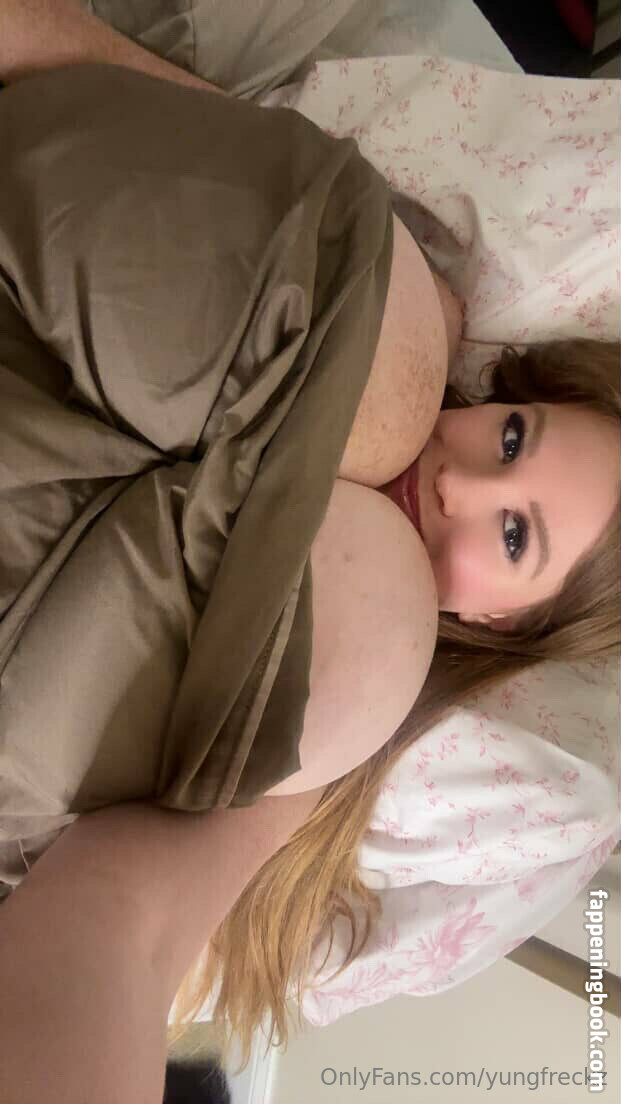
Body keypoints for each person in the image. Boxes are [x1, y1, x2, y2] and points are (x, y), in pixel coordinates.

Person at [0, 6, 618, 1099]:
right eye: (512, 437)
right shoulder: (400, 340)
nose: (465, 485)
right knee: (394, 363)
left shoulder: (345, 717)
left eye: (515, 534)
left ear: (505, 620)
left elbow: (113, 935)